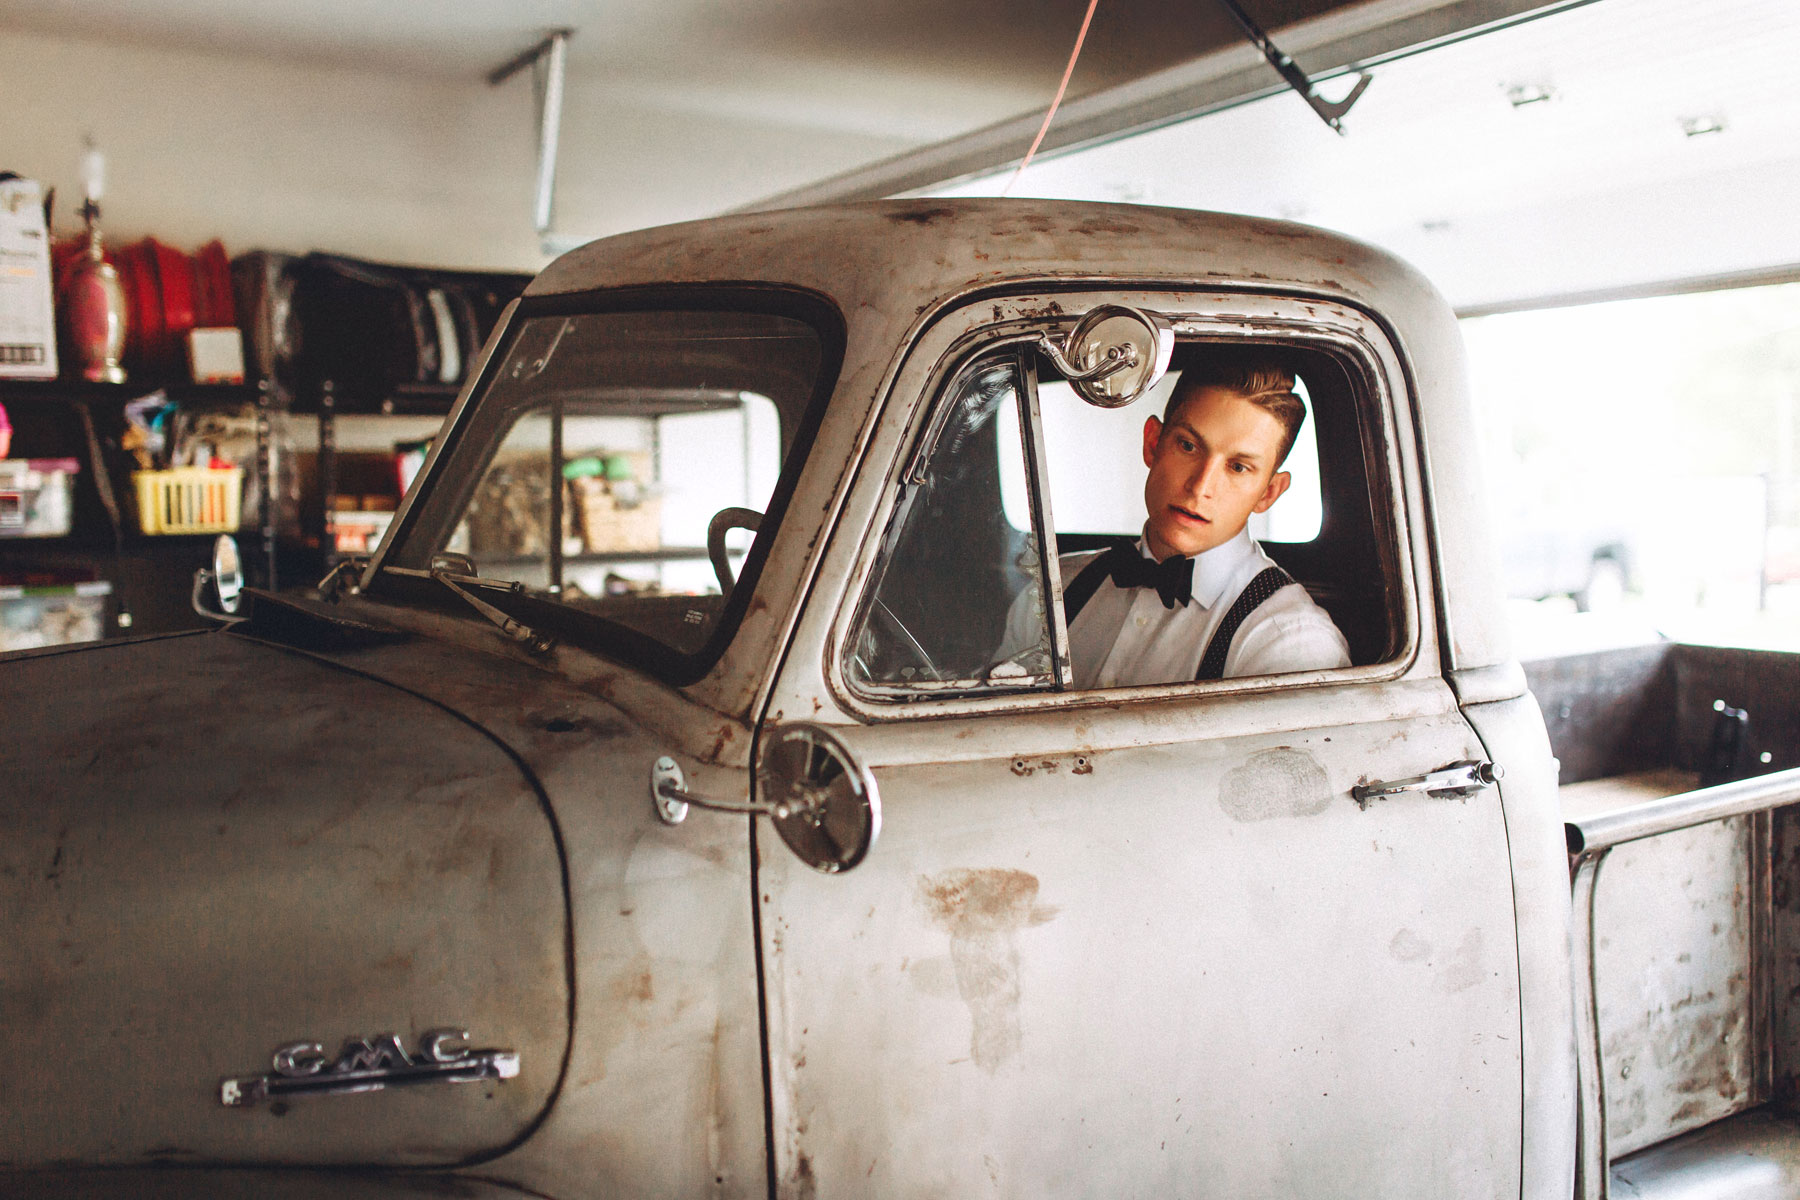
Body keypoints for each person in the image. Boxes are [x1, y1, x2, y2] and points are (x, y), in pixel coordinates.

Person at [1025, 351, 1350, 688]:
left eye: (1238, 467)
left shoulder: (1291, 645)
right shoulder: (1052, 591)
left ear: (1268, 493)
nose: (1200, 487)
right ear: (1153, 443)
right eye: (1188, 446)